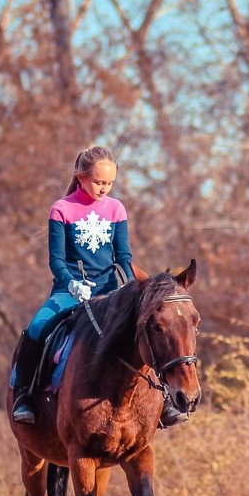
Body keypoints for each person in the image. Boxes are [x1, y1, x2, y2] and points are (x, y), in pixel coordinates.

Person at [11, 146, 185, 429]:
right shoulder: (62, 209)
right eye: (99, 182)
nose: (104, 188)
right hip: (68, 292)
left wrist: (137, 287)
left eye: (109, 183)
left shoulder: (116, 209)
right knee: (36, 328)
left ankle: (163, 401)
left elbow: (123, 256)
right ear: (81, 178)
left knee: (148, 329)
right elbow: (56, 260)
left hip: (109, 292)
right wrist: (72, 284)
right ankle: (24, 398)